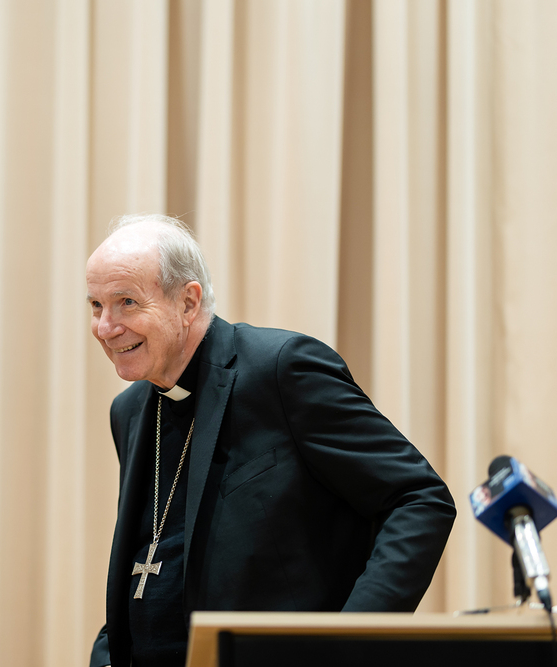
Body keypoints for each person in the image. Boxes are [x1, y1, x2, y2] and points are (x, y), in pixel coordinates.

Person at [85, 214, 455, 667]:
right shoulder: (129, 411)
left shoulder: (281, 370)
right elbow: (149, 558)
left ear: (188, 302)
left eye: (126, 302)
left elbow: (419, 498)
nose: (106, 327)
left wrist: (350, 643)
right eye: (96, 306)